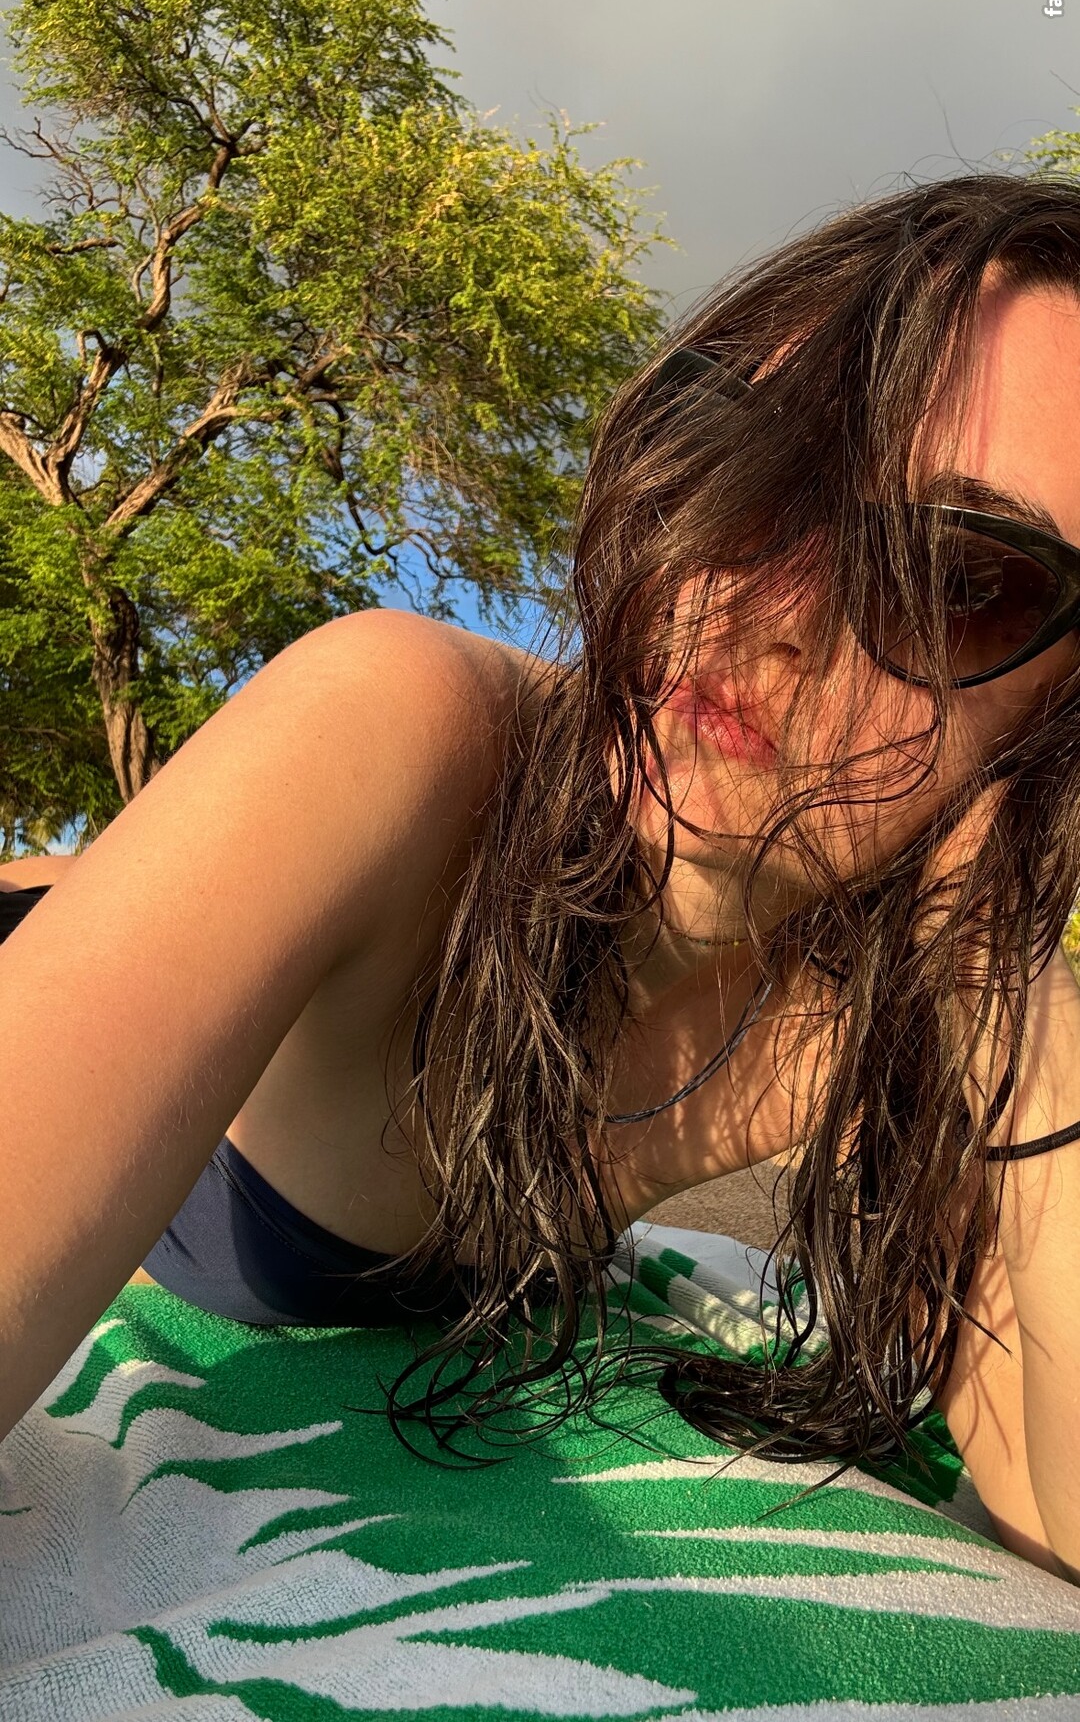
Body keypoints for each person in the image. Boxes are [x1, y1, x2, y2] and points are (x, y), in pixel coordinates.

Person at [2, 170, 1080, 1586]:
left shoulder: (865, 1002)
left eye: (960, 582)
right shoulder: (397, 726)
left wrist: (1011, 972)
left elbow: (1057, 1514)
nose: (772, 601)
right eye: (751, 453)